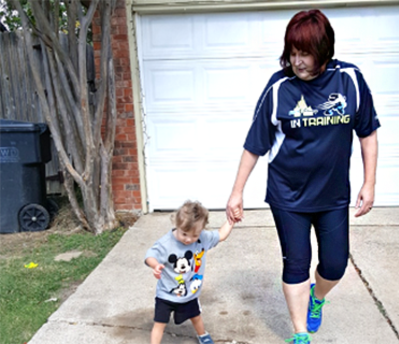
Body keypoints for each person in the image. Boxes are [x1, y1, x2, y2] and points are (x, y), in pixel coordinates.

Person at [226, 9, 379, 344]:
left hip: (333, 195)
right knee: (296, 263)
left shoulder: (350, 80)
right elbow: (255, 144)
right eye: (293, 53)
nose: (298, 62)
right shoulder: (280, 87)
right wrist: (236, 192)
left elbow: (367, 133)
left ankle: (317, 296)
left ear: (324, 51)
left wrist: (369, 183)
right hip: (288, 196)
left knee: (335, 265)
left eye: (305, 53)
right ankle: (299, 334)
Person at [145, 200, 235, 344]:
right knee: (159, 322)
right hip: (166, 294)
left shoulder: (203, 238)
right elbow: (150, 255)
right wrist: (155, 265)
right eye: (184, 234)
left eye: (194, 235)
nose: (188, 239)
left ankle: (203, 335)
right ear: (177, 224)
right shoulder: (166, 243)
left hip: (189, 294)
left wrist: (231, 220)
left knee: (196, 316)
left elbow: (221, 235)